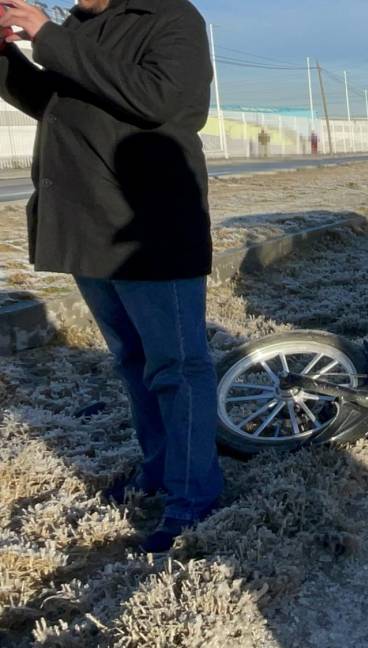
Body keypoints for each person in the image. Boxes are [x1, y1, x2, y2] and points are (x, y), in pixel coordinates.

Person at [0, 0, 223, 553]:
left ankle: (194, 498)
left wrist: (48, 35)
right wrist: (7, 55)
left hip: (150, 229)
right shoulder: (82, 27)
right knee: (134, 362)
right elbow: (53, 104)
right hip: (88, 225)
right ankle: (159, 469)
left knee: (177, 367)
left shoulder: (172, 18)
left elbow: (160, 100)